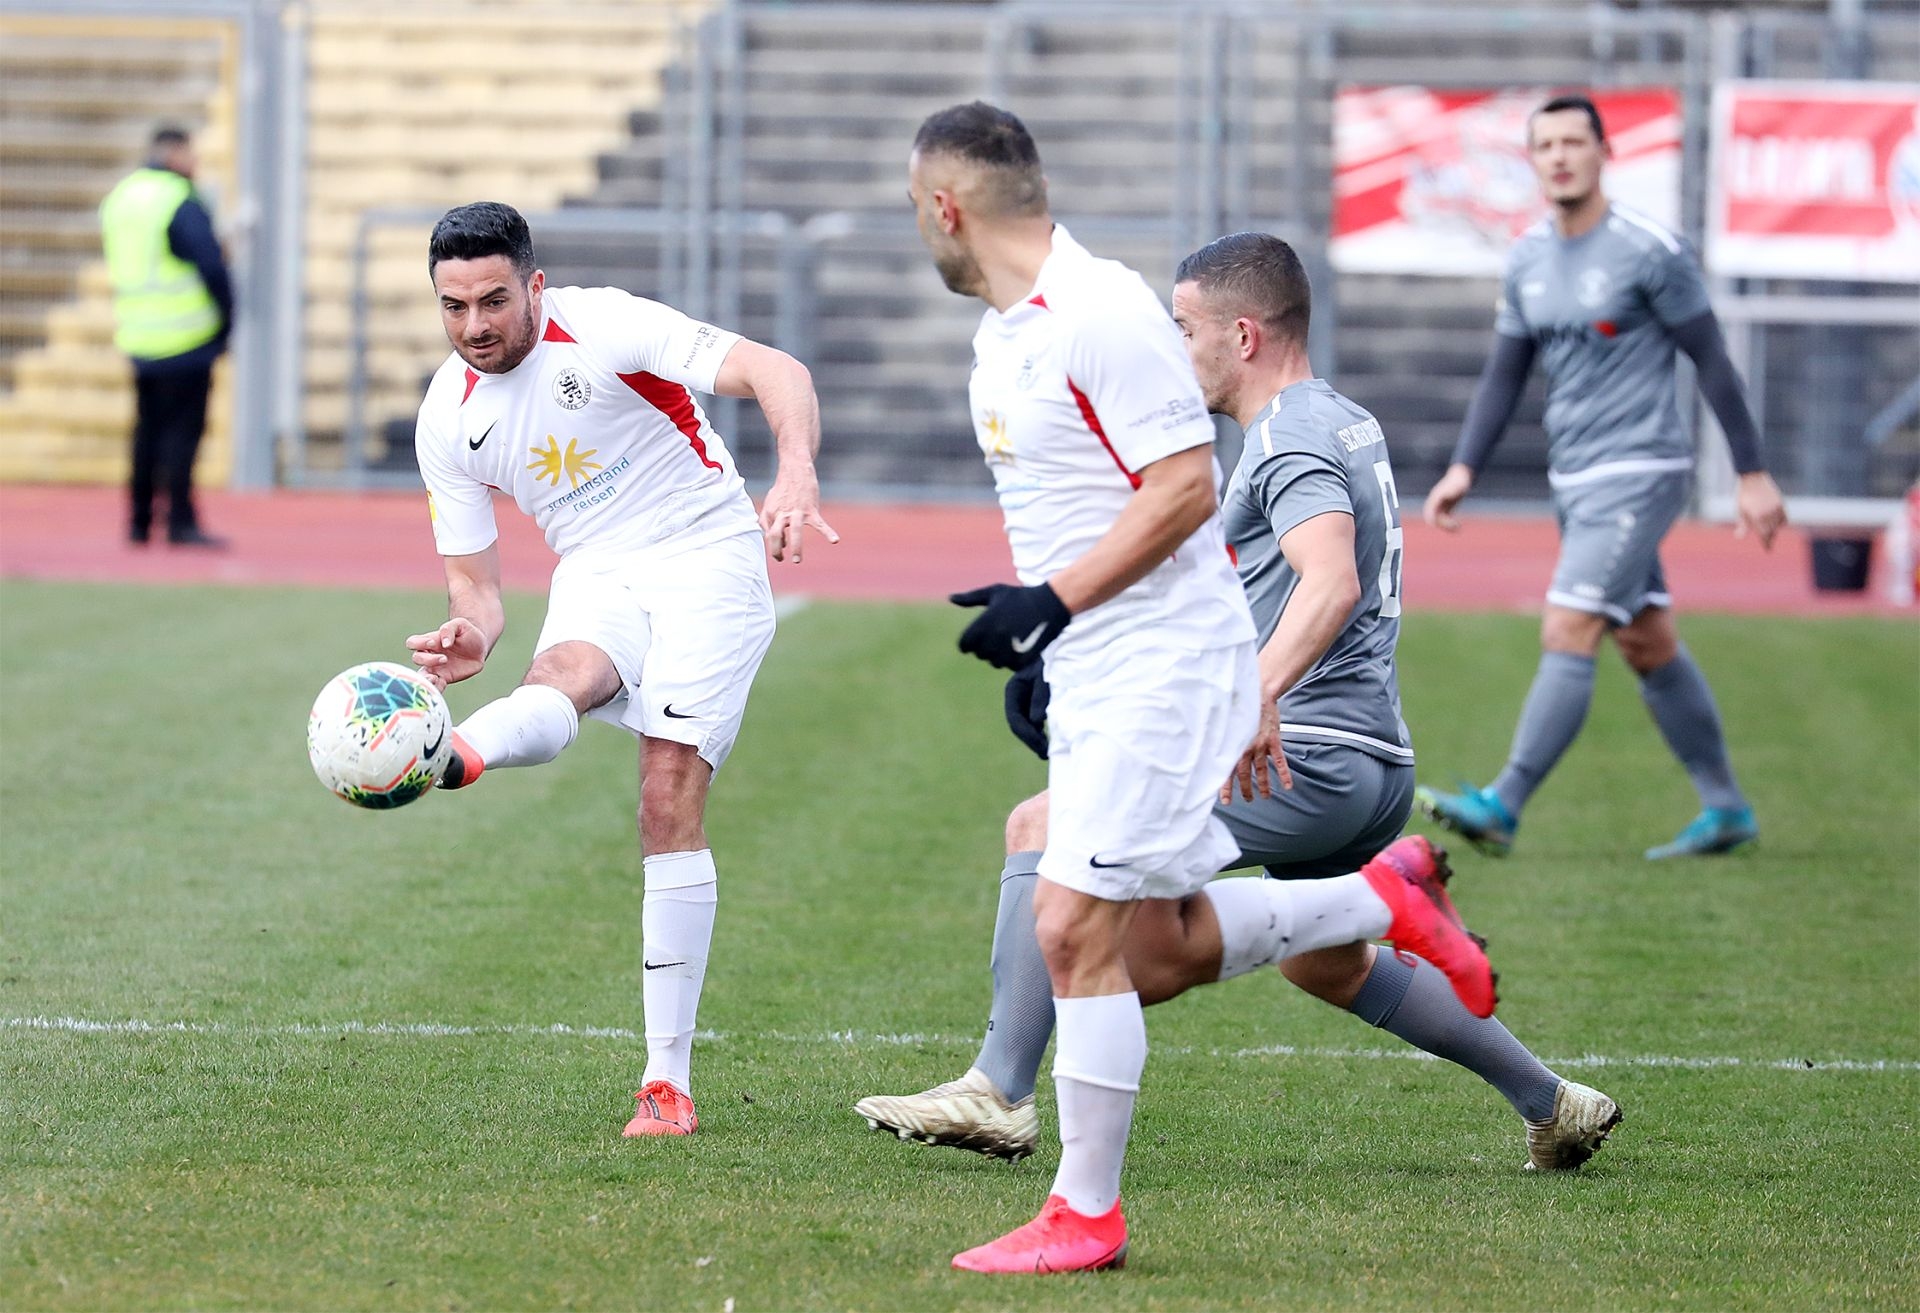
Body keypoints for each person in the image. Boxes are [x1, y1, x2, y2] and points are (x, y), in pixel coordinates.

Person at [856, 232, 1617, 1184]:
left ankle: (999, 1091)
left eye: (1185, 329)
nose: (1174, 349)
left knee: (1052, 841)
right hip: (1368, 758)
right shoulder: (1340, 418)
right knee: (1323, 962)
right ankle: (1552, 1100)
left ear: (1244, 336)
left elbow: (1328, 581)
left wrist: (1252, 697)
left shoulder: (1289, 433)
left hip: (1305, 750)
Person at [904, 104, 1494, 1276]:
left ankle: (1084, 1209)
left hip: (1161, 667)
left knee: (1075, 923)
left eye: (911, 206)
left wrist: (1057, 602)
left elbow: (1181, 491)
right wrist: (1053, 642)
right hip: (1106, 662)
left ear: (945, 206)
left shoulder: (1103, 314)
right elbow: (1094, 506)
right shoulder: (1005, 336)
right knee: (1142, 932)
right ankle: (1378, 899)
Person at [402, 201, 836, 1139]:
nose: (474, 325)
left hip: (706, 551)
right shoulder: (446, 416)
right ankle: (448, 754)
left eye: (493, 300)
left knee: (665, 792)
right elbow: (476, 590)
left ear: (535, 286)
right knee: (557, 672)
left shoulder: (604, 324)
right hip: (597, 568)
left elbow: (778, 369)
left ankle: (666, 1082)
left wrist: (795, 471)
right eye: (453, 306)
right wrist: (471, 632)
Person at [1416, 94, 1788, 861]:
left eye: (1573, 142)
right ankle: (1725, 807)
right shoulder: (1527, 258)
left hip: (1642, 467)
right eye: (1544, 144)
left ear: (1604, 152)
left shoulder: (1650, 250)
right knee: (1647, 641)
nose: (1559, 156)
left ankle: (1503, 802)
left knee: (1569, 625)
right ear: (1532, 160)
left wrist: (1752, 473)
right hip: (1576, 476)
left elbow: (1712, 359)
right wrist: (1463, 468)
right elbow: (1505, 373)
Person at [99, 125, 233, 548]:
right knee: (181, 435)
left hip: (138, 333)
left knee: (146, 432)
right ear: (175, 152)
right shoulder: (178, 199)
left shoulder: (122, 197)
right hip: (185, 335)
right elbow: (212, 266)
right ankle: (179, 521)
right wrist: (226, 322)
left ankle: (138, 521)